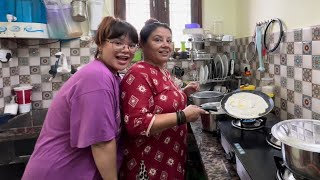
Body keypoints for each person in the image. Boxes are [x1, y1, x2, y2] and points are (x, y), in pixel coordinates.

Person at [22, 16, 138, 180]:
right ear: (101, 43)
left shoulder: (110, 75)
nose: (126, 50)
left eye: (132, 45)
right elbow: (101, 142)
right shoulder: (97, 78)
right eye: (118, 43)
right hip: (61, 171)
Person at [119, 19, 207, 179]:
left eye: (169, 40)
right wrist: (183, 116)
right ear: (142, 44)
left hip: (171, 155)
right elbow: (136, 124)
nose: (166, 45)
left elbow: (160, 101)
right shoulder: (138, 74)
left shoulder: (162, 70)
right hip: (148, 160)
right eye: (158, 40)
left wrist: (184, 92)